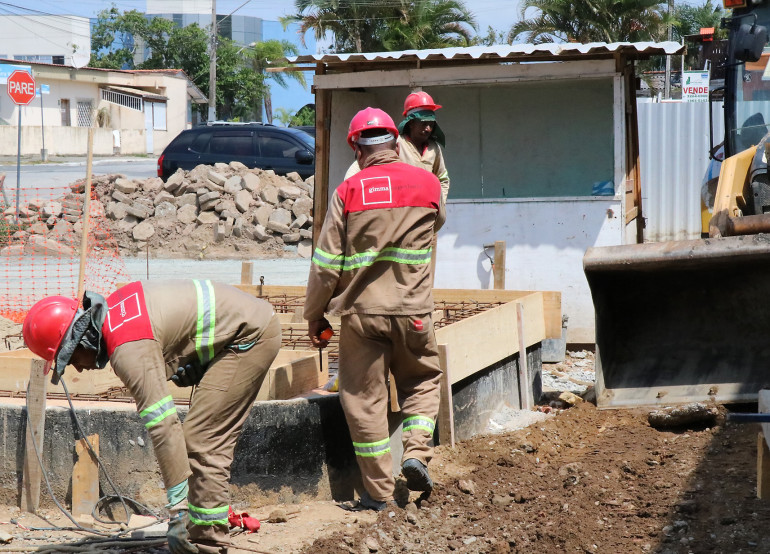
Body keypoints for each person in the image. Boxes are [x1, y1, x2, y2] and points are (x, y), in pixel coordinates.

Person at [22, 280, 282, 554]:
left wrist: (178, 510)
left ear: (79, 340)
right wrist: (192, 360)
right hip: (237, 329)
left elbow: (164, 427)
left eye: (69, 359)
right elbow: (172, 329)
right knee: (197, 437)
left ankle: (208, 542)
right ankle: (199, 534)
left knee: (203, 441)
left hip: (250, 335)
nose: (77, 367)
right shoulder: (116, 311)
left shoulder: (127, 351)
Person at [304, 107, 446, 511]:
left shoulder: (348, 191)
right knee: (421, 382)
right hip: (414, 311)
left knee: (364, 401)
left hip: (362, 316)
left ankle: (380, 495)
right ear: (395, 140)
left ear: (356, 147)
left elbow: (327, 263)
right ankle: (416, 450)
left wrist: (315, 313)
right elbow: (436, 223)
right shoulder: (429, 183)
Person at [344, 91, 450, 203]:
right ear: (411, 123)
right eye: (424, 123)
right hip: (402, 210)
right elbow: (359, 167)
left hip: (426, 211)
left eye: (431, 124)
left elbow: (443, 179)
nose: (428, 128)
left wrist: (439, 205)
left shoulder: (434, 148)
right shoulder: (396, 144)